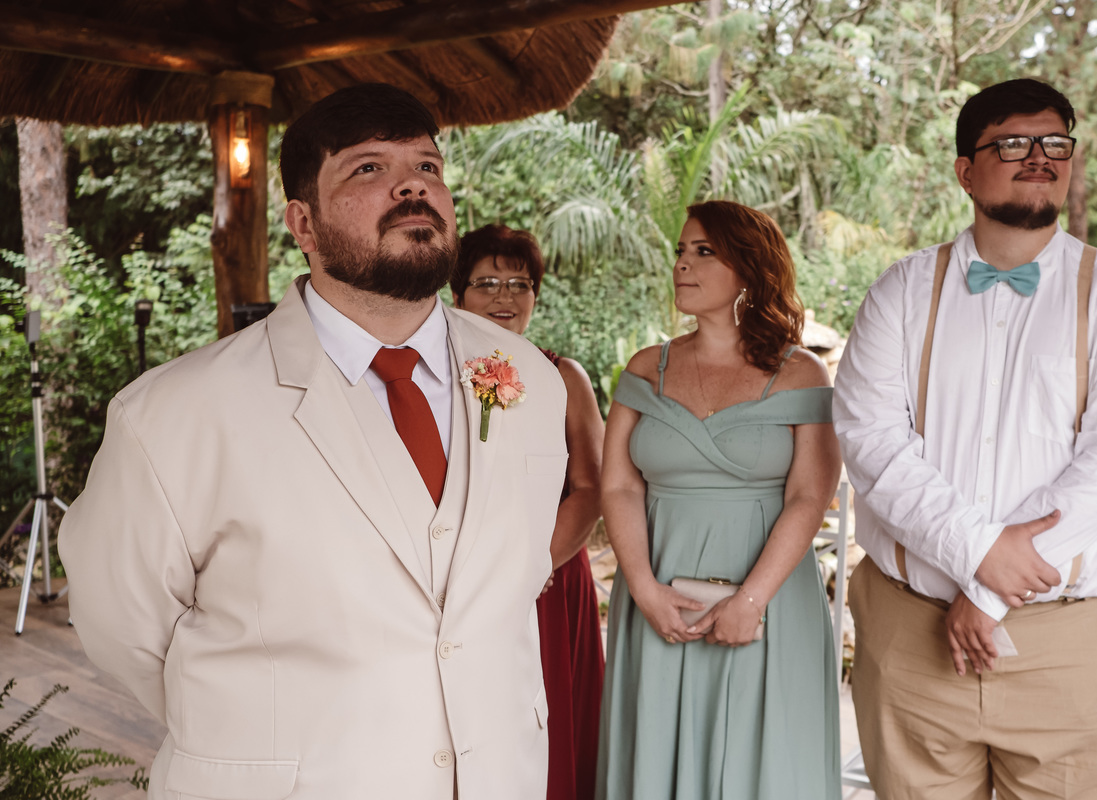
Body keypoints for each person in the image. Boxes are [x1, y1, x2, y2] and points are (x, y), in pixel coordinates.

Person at [58, 84, 568, 800]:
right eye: (368, 168)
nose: (414, 184)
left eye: (428, 165)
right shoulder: (173, 413)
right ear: (303, 222)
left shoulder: (531, 384)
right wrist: (254, 728)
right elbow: (123, 628)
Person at [833, 78, 1097, 799]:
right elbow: (871, 444)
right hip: (912, 642)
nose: (1039, 158)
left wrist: (986, 593)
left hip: (1080, 652)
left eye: (1056, 144)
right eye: (1013, 143)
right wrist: (979, 553)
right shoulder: (898, 293)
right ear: (965, 169)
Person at [596, 200, 842, 799]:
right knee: (653, 753)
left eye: (704, 251)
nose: (683, 263)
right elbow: (619, 484)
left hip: (770, 601)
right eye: (681, 250)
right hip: (658, 597)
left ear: (749, 269)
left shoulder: (800, 373)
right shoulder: (645, 369)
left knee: (768, 762)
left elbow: (811, 495)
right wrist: (645, 590)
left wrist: (750, 600)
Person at [451, 223, 606, 800]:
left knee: (546, 728)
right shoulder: (434, 375)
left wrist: (529, 572)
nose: (503, 297)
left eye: (520, 284)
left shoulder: (562, 375)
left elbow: (589, 489)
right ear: (456, 293)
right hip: (460, 581)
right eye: (486, 282)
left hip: (548, 576)